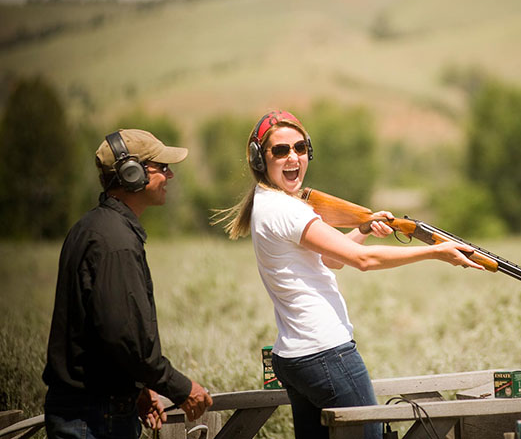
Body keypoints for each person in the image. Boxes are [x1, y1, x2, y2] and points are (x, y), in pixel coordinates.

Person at [216, 110, 483, 439]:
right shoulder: (288, 209)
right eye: (281, 151)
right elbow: (362, 261)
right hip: (326, 352)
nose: (293, 158)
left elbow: (333, 259)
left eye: (300, 148)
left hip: (295, 358)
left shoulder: (268, 203)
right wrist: (435, 252)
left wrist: (364, 227)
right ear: (260, 159)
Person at [42, 129, 213, 439]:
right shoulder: (116, 242)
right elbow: (126, 339)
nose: (170, 174)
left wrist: (136, 387)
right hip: (96, 417)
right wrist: (180, 388)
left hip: (87, 409)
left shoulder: (91, 227)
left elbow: (100, 332)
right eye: (162, 167)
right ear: (130, 173)